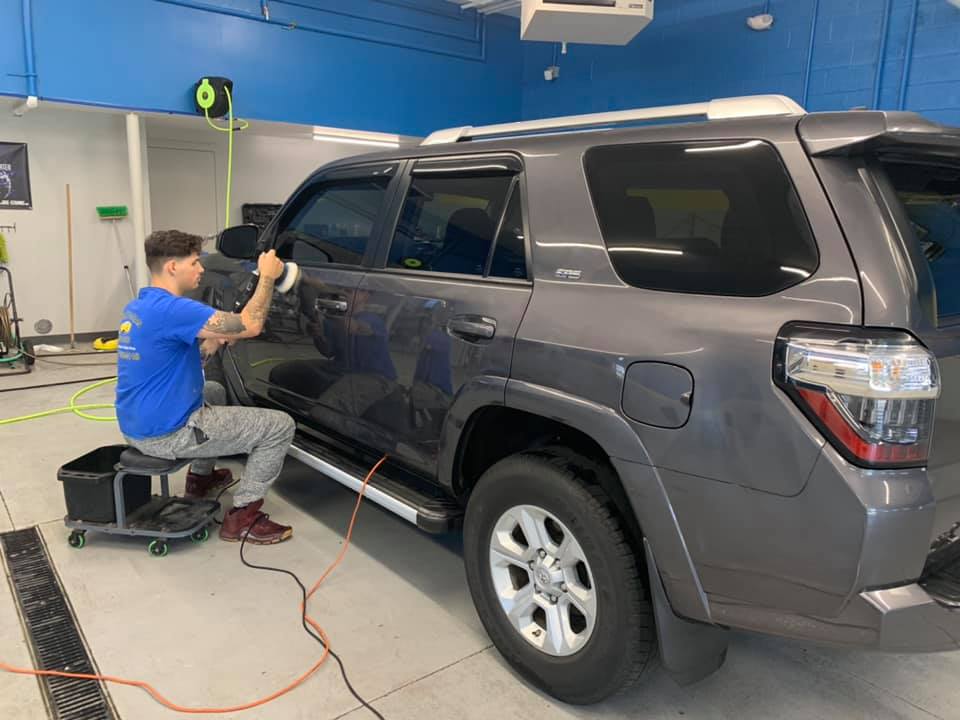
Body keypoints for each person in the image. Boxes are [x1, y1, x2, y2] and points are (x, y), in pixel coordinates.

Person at [115, 230, 296, 545]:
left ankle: (201, 480)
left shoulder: (142, 307)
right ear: (172, 267)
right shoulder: (176, 310)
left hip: (136, 424)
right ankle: (244, 517)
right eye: (195, 262)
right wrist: (267, 277)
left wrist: (209, 343)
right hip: (167, 433)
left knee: (212, 390)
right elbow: (250, 324)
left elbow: (167, 359)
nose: (201, 269)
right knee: (280, 426)